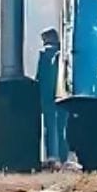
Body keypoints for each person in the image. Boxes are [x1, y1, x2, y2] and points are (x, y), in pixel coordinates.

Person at [35, 28, 69, 164]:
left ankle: (51, 156)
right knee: (62, 127)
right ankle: (63, 156)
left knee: (49, 126)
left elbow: (40, 76)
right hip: (62, 93)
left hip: (47, 94)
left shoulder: (44, 53)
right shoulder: (64, 53)